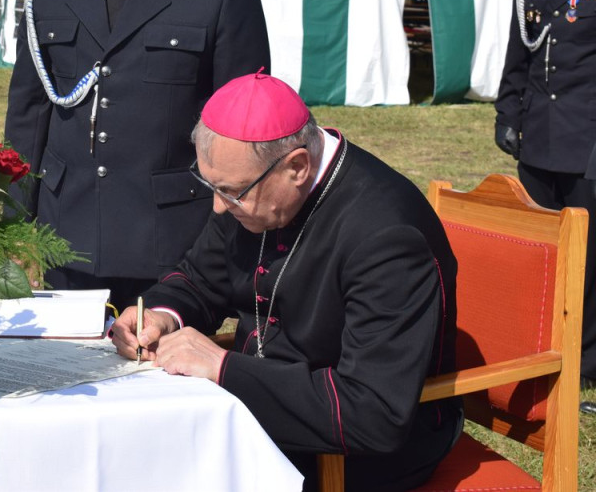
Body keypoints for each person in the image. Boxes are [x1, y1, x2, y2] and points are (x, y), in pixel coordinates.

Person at [110, 73, 461, 490]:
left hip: (353, 456)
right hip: (255, 421)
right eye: (212, 186)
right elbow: (200, 279)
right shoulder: (255, 187)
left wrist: (223, 369)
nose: (220, 208)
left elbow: (373, 414)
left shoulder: (386, 234)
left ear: (297, 167)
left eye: (232, 192)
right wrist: (160, 316)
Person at [3, 0, 271, 313]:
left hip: (172, 240)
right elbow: (29, 107)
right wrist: (10, 219)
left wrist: (229, 235)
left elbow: (244, 123)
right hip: (68, 230)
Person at [495, 0, 596, 414]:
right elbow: (523, 46)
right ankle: (539, 352)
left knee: (592, 258)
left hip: (588, 140)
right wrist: (508, 110)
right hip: (542, 135)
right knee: (541, 249)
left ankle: (587, 366)